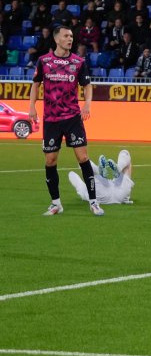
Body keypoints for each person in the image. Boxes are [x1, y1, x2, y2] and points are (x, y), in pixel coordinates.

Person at [29, 24, 103, 216]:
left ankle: (94, 202)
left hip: (72, 117)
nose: (70, 39)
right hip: (51, 119)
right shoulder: (43, 61)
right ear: (56, 39)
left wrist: (87, 104)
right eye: (66, 36)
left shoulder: (78, 62)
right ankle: (56, 204)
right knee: (51, 160)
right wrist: (31, 108)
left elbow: (87, 85)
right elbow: (35, 85)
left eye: (71, 36)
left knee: (83, 157)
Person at [68, 150, 135, 205]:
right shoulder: (82, 190)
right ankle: (119, 167)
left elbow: (72, 175)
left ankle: (99, 172)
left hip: (100, 195)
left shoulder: (82, 190)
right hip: (121, 194)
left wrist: (70, 173)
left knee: (83, 164)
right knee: (125, 153)